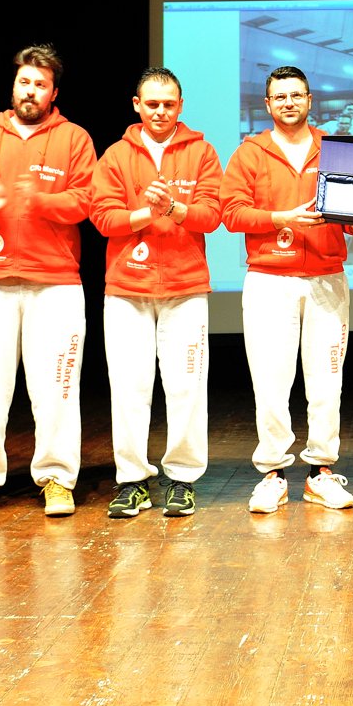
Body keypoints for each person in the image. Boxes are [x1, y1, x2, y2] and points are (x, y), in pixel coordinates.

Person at [0, 44, 97, 518]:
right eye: (24, 82)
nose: (31, 91)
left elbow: (87, 199)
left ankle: (57, 479)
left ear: (54, 93)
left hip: (55, 281)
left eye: (40, 84)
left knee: (56, 389)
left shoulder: (74, 138)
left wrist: (40, 200)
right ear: (14, 86)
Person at [221, 65, 353, 513]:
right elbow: (231, 213)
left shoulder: (337, 150)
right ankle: (272, 474)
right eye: (280, 96)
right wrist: (279, 218)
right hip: (269, 280)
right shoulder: (250, 153)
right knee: (271, 383)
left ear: (309, 101)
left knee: (327, 382)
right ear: (268, 104)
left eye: (296, 95)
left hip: (327, 276)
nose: (289, 102)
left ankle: (320, 473)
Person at [89, 68, 222, 518]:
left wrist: (175, 208)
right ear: (136, 105)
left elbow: (212, 215)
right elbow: (103, 219)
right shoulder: (116, 155)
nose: (160, 112)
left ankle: (182, 479)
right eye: (152, 104)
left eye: (168, 104)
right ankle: (132, 481)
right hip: (127, 288)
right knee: (129, 388)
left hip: (185, 287)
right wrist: (149, 211)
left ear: (180, 105)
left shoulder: (202, 152)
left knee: (186, 388)